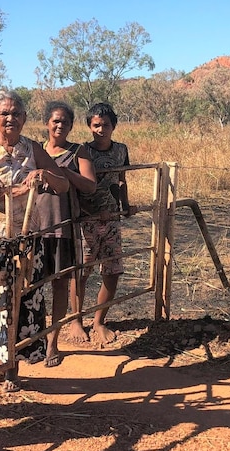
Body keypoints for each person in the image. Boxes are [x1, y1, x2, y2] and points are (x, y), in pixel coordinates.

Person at [0, 90, 69, 391]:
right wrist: (10, 190)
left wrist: (43, 174)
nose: (11, 118)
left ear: (24, 118)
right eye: (5, 113)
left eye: (17, 113)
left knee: (20, 299)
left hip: (24, 238)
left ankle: (13, 367)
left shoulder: (33, 148)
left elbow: (62, 184)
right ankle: (0, 362)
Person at [71, 102, 136, 345]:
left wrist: (125, 205)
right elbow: (76, 189)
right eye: (96, 125)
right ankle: (76, 320)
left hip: (112, 220)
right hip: (86, 221)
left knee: (112, 271)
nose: (101, 129)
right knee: (82, 272)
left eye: (105, 125)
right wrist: (87, 212)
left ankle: (99, 321)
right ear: (89, 126)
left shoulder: (121, 150)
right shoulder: (82, 152)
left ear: (114, 126)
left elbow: (121, 179)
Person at [37, 101, 97, 364]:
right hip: (36, 229)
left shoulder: (77, 152)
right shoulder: (36, 151)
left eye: (65, 122)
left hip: (63, 226)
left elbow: (90, 186)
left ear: (71, 126)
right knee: (32, 286)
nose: (60, 125)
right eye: (55, 121)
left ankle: (53, 341)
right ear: (47, 123)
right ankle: (33, 340)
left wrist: (63, 174)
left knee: (60, 284)